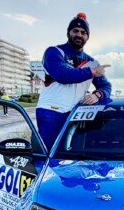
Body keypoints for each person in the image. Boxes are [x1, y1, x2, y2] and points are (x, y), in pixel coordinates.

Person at [36, 13, 111, 151]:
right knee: (47, 154)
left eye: (83, 32)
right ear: (68, 33)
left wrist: (97, 95)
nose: (79, 35)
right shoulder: (54, 52)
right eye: (75, 31)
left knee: (71, 154)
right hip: (51, 111)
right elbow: (63, 75)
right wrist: (92, 72)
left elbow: (106, 86)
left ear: (87, 37)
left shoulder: (91, 62)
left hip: (75, 114)